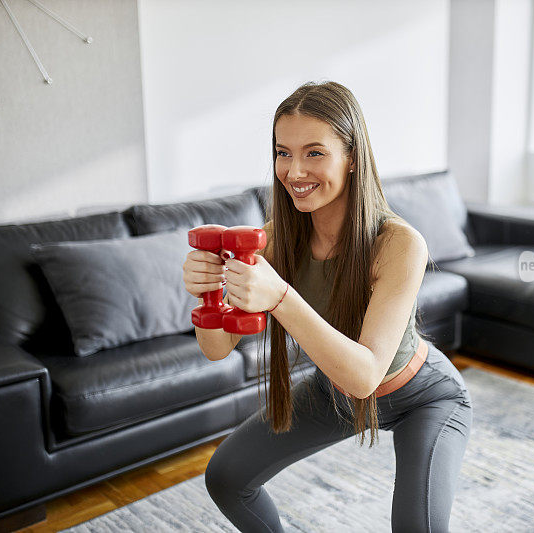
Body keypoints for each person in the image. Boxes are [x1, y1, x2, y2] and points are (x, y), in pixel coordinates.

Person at [182, 80, 473, 532]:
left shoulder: (398, 243)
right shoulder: (279, 237)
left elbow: (365, 376)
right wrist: (207, 295)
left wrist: (279, 296)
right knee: (226, 477)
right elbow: (217, 348)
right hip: (331, 391)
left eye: (314, 152)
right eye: (283, 153)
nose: (294, 171)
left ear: (352, 156)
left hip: (422, 395)